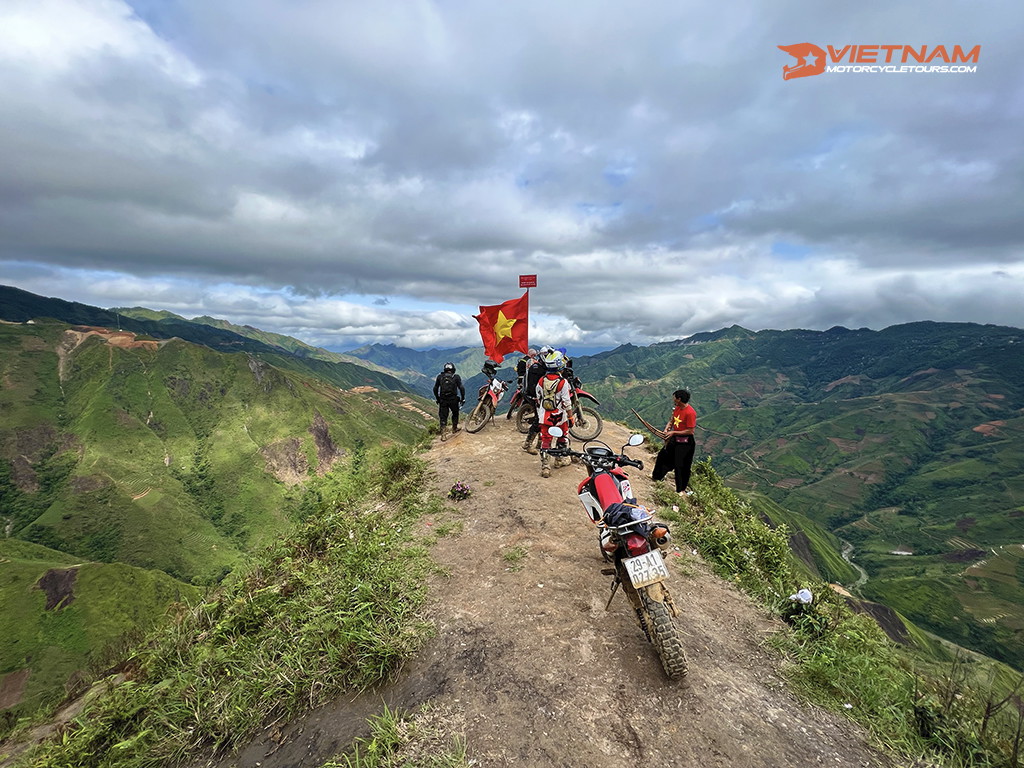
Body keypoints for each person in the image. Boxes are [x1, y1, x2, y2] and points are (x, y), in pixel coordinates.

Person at [535, 349, 574, 478]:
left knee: (546, 440)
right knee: (562, 437)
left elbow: (539, 397)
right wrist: (570, 416)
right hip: (560, 416)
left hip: (545, 416)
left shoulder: (541, 381)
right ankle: (558, 460)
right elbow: (567, 402)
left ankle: (545, 467)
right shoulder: (563, 383)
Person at [651, 389, 697, 495]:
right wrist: (668, 428)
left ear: (679, 399)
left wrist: (673, 432)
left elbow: (690, 430)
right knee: (662, 456)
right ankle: (657, 477)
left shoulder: (690, 412)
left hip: (685, 443)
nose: (673, 399)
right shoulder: (677, 408)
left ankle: (680, 490)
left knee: (681, 466)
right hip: (674, 439)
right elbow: (672, 420)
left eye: (674, 397)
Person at [521, 346, 551, 455]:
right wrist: (537, 398)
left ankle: (539, 442)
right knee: (539, 420)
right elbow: (533, 387)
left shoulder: (542, 366)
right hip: (535, 397)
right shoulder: (536, 368)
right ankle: (527, 444)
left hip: (541, 397)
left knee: (543, 419)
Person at [433, 362, 465, 438]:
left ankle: (443, 434)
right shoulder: (456, 377)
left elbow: (435, 389)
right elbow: (461, 388)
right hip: (453, 399)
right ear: (453, 369)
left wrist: (438, 399)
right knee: (455, 413)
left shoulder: (440, 377)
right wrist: (463, 398)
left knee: (443, 416)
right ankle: (454, 428)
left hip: (443, 400)